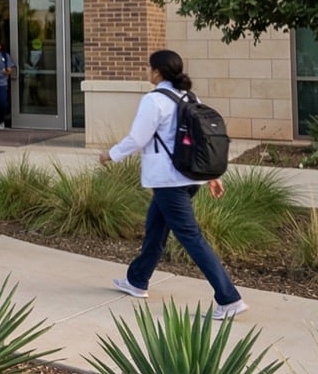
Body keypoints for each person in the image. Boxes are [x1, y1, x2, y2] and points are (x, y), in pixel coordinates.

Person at [100, 49, 248, 321]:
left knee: (191, 238)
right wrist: (212, 176)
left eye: (148, 68)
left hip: (169, 181)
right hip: (189, 178)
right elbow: (202, 141)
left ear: (157, 72)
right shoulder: (190, 97)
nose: (147, 72)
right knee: (155, 229)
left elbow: (137, 138)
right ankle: (137, 280)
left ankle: (229, 299)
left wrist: (110, 154)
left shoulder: (154, 100)